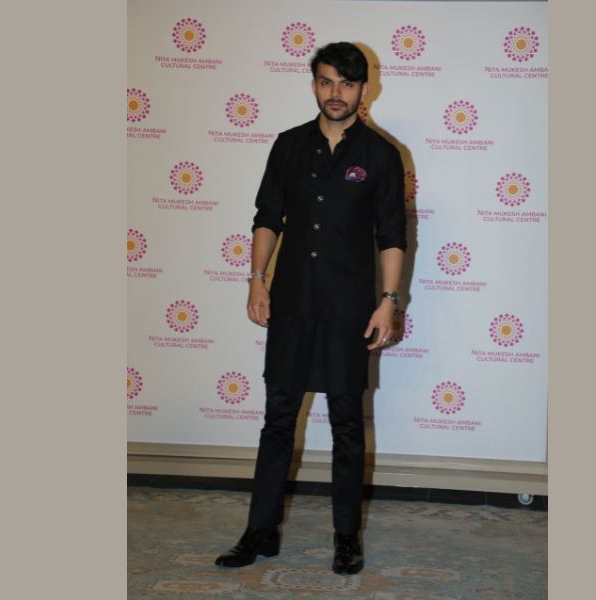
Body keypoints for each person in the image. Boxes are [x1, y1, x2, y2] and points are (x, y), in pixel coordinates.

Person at [215, 41, 407, 576]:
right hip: (293, 302)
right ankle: (260, 531)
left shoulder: (381, 156)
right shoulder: (288, 146)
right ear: (314, 85)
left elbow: (392, 235)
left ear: (365, 89)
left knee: (346, 423)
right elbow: (267, 217)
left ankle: (346, 538)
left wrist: (388, 302)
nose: (335, 93)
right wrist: (257, 281)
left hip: (350, 309)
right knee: (278, 418)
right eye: (326, 82)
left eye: (347, 83)